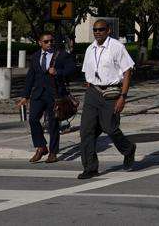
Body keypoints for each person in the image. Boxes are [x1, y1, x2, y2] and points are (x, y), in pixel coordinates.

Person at [78, 19, 137, 179]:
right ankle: (90, 168)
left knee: (110, 128)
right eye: (95, 30)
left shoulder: (117, 47)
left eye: (101, 29)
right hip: (92, 92)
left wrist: (123, 96)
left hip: (111, 93)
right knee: (86, 131)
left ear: (108, 30)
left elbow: (127, 71)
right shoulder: (90, 49)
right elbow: (87, 71)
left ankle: (128, 149)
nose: (97, 32)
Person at [16, 32, 75, 163]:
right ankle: (41, 146)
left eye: (51, 41)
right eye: (46, 41)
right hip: (38, 94)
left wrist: (58, 72)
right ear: (40, 43)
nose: (49, 43)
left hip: (54, 94)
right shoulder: (36, 56)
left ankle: (53, 153)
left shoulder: (61, 55)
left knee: (53, 124)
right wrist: (25, 96)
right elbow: (30, 76)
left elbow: (72, 69)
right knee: (33, 119)